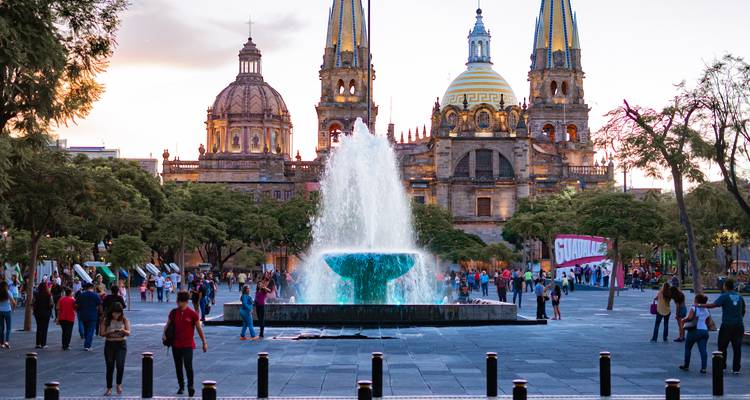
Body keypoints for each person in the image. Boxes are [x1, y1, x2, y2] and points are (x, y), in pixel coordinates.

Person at [163, 291, 208, 397]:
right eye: (178, 301)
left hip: (188, 344)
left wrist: (204, 342)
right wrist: (164, 334)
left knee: (188, 366)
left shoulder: (192, 314)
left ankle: (190, 386)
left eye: (180, 302)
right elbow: (167, 324)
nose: (178, 304)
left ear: (186, 302)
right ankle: (181, 386)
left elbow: (199, 328)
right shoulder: (173, 312)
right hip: (176, 344)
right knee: (178, 366)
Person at [698, 279, 746, 374]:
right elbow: (743, 310)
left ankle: (722, 366)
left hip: (727, 325)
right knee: (737, 348)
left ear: (725, 286)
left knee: (722, 346)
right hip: (739, 325)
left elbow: (713, 305)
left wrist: (699, 305)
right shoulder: (740, 297)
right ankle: (736, 369)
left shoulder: (724, 296)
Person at [100, 303, 130, 395]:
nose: (116, 315)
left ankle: (118, 384)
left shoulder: (124, 319)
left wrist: (123, 330)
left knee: (120, 365)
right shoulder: (106, 320)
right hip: (110, 344)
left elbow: (128, 332)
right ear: (111, 312)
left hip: (121, 344)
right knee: (110, 367)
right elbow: (102, 333)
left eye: (118, 313)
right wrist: (109, 332)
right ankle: (109, 388)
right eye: (114, 313)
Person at [679, 294, 710, 373]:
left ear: (696, 300)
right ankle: (704, 368)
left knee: (688, 348)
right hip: (704, 331)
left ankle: (686, 365)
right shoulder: (706, 309)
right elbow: (708, 321)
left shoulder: (694, 308)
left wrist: (683, 320)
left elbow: (689, 317)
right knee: (703, 350)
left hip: (694, 330)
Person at [76, 283, 102, 350]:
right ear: (92, 287)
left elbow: (76, 304)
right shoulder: (95, 295)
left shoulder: (81, 295)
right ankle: (87, 345)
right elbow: (100, 304)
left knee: (86, 329)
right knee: (91, 330)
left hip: (83, 315)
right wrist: (101, 313)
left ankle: (87, 342)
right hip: (92, 315)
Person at [33, 282, 54, 348]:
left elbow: (33, 303)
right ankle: (43, 344)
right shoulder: (49, 295)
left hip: (38, 313)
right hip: (46, 313)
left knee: (39, 327)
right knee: (44, 328)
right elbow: (51, 304)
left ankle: (38, 343)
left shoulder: (36, 294)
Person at [0, 281, 15, 349]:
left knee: (1, 328)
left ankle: (1, 343)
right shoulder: (8, 292)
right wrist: (13, 309)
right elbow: (14, 302)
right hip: (7, 311)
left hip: (0, 311)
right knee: (8, 328)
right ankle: (7, 341)